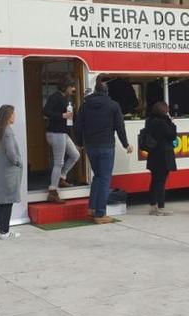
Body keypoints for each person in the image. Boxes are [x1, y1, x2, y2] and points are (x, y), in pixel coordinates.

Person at [74, 81, 133, 224]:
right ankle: (100, 214)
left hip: (90, 146)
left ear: (95, 91)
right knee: (105, 179)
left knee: (98, 177)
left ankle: (92, 209)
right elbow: (120, 127)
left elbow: (78, 126)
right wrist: (125, 144)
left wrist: (80, 143)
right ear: (107, 92)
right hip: (106, 145)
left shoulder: (85, 105)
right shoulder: (113, 105)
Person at [43, 76, 81, 204]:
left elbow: (69, 120)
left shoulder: (66, 99)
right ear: (66, 86)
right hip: (55, 133)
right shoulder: (55, 97)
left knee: (75, 155)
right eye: (72, 86)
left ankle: (61, 177)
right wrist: (62, 115)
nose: (74, 89)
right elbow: (46, 111)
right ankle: (53, 191)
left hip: (62, 132)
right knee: (58, 162)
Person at [0, 105, 22, 239]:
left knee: (1, 201)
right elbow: (11, 152)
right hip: (9, 172)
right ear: (8, 116)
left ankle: (2, 231)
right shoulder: (8, 132)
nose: (14, 116)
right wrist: (17, 162)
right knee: (8, 201)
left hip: (1, 171)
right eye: (13, 114)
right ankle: (5, 232)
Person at [145, 101, 177, 216]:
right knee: (161, 181)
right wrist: (171, 122)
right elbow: (172, 135)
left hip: (153, 154)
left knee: (154, 180)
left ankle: (153, 205)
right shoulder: (163, 123)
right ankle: (161, 206)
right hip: (163, 155)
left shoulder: (149, 121)